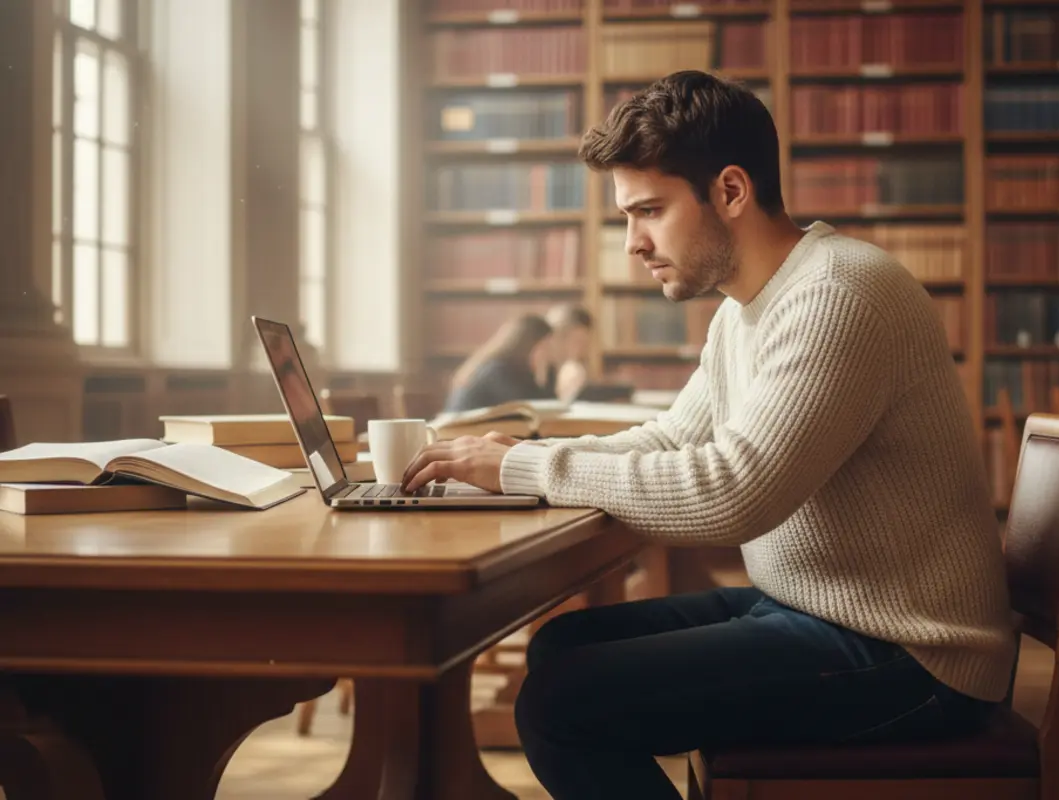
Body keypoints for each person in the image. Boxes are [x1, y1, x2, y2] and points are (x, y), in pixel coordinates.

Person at [403, 70, 1016, 800]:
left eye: (650, 211)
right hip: (818, 606)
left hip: (911, 652)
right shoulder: (746, 309)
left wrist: (524, 468)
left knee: (561, 706)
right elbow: (671, 439)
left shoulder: (838, 294)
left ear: (730, 191)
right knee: (563, 645)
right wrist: (508, 461)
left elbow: (734, 492)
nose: (632, 243)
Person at [441, 313, 557, 413]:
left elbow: (550, 406)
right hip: (459, 434)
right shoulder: (498, 370)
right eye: (545, 345)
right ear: (529, 344)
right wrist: (542, 372)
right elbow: (531, 409)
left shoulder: (520, 369)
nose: (550, 351)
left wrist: (545, 373)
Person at [543, 304, 594, 402]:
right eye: (575, 341)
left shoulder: (575, 371)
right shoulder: (538, 374)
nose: (578, 350)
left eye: (584, 343)